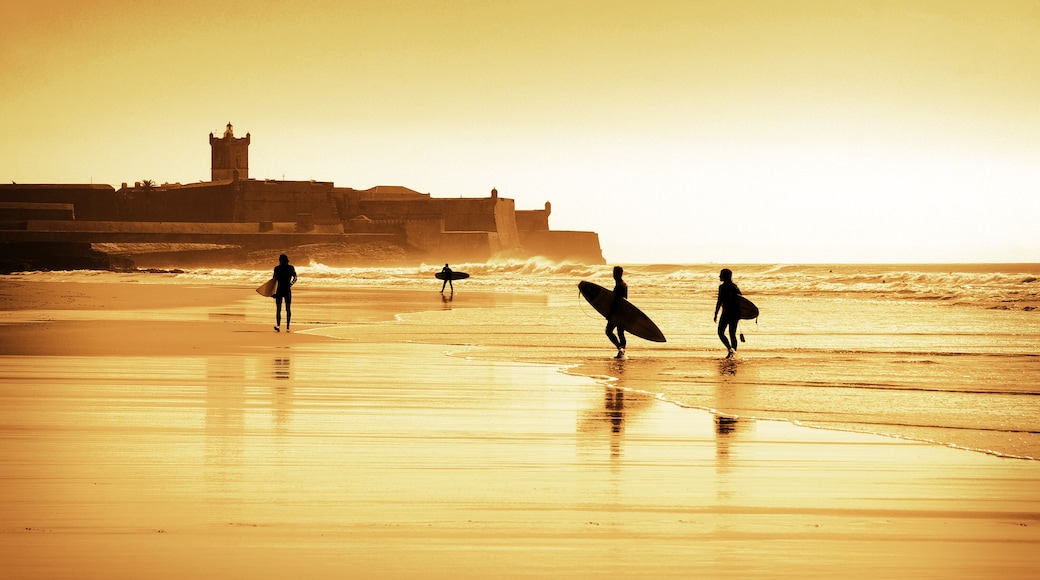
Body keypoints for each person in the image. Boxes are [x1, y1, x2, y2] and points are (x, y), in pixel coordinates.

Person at [714, 268, 741, 358]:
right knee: (732, 334)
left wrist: (716, 313)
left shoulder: (722, 287)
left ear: (725, 276)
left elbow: (719, 301)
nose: (719, 276)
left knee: (720, 332)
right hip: (735, 313)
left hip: (726, 313)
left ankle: (730, 350)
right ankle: (732, 352)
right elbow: (741, 299)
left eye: (721, 275)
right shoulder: (734, 286)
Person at [605, 266, 628, 358]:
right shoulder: (623, 284)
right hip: (622, 312)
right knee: (620, 332)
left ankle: (620, 349)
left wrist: (610, 313)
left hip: (617, 313)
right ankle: (621, 351)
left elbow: (617, 301)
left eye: (616, 273)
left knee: (609, 331)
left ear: (620, 273)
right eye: (614, 272)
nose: (614, 275)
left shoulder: (620, 286)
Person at [272, 254, 297, 332]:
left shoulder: (277, 268)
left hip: (280, 290)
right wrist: (291, 284)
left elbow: (274, 281)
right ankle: (283, 326)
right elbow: (295, 278)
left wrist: (273, 292)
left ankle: (285, 326)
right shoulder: (290, 268)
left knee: (282, 309)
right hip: (285, 289)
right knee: (285, 309)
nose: (281, 261)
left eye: (281, 260)